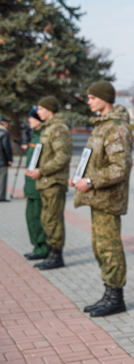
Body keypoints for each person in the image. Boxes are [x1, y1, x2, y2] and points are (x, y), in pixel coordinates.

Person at [70, 81, 133, 317]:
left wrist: (91, 181)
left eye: (93, 97)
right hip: (98, 198)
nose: (89, 101)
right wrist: (81, 177)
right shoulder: (102, 125)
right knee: (100, 247)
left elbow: (119, 168)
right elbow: (96, 161)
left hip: (108, 198)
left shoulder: (116, 127)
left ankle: (116, 298)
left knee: (110, 248)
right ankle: (108, 293)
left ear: (105, 99)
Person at [25, 96, 73, 271]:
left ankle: (56, 256)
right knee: (46, 219)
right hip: (45, 182)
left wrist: (42, 170)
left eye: (41, 109)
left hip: (54, 182)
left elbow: (62, 157)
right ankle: (50, 253)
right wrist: (34, 169)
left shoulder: (59, 129)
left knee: (54, 220)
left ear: (50, 110)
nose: (38, 112)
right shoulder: (48, 128)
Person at [22, 107, 48, 260]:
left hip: (38, 186)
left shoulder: (43, 137)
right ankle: (37, 246)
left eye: (31, 118)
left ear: (38, 120)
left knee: (38, 218)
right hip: (31, 185)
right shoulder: (35, 136)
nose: (29, 120)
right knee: (31, 217)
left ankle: (43, 248)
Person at [0, 116, 12, 202]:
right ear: (3, 123)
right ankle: (1, 196)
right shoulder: (4, 133)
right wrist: (9, 159)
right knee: (2, 178)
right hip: (2, 159)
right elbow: (6, 148)